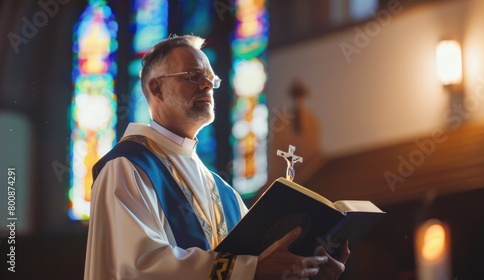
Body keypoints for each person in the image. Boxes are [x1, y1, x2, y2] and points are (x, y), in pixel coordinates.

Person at [84, 34, 349, 280]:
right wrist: (250, 269)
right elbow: (137, 267)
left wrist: (308, 269)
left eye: (212, 78)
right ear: (157, 89)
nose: (208, 84)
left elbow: (264, 266)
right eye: (193, 76)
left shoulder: (225, 193)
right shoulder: (127, 167)